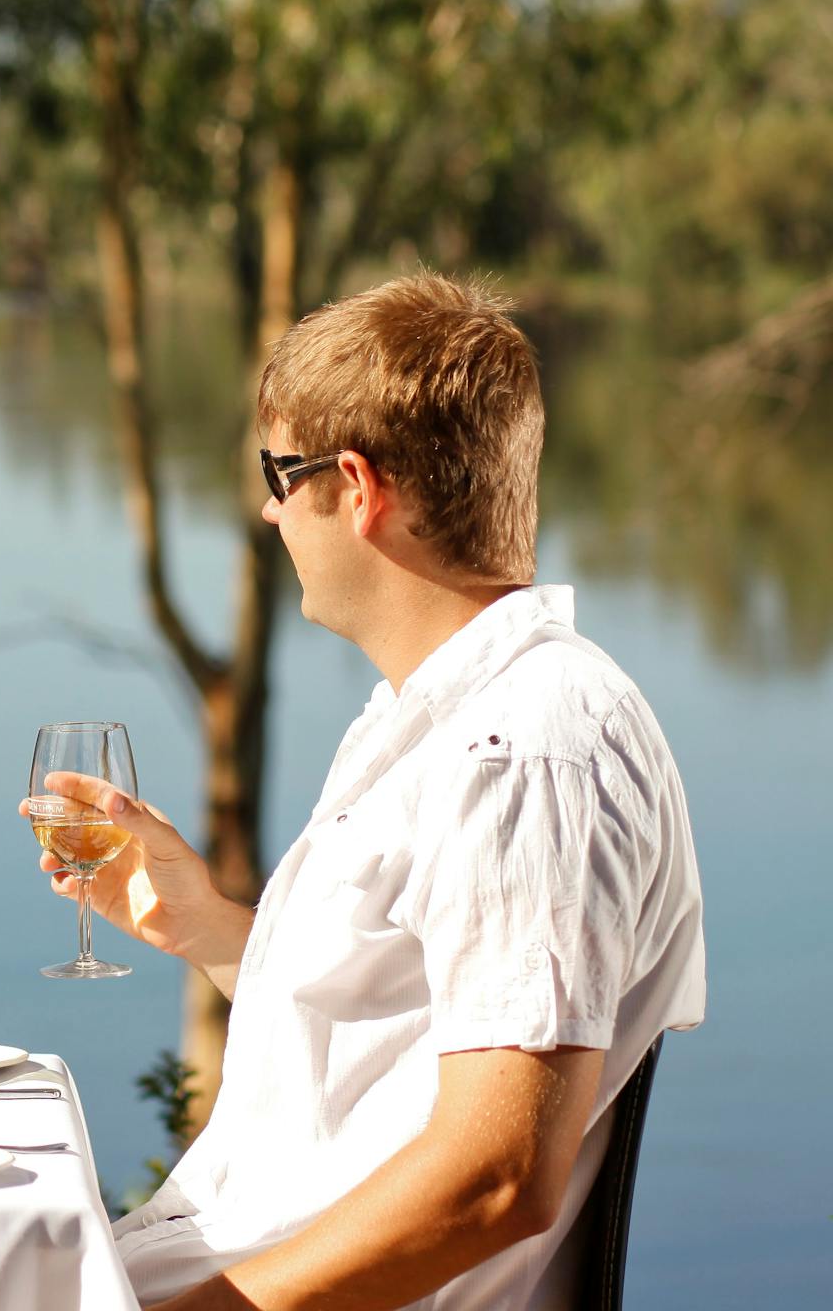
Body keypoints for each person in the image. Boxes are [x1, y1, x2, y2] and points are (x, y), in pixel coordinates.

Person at [36, 274, 704, 1310]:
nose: (264, 509)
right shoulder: (431, 719)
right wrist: (205, 925)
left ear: (354, 486)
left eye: (275, 473)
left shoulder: (522, 752)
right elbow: (384, 1033)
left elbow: (494, 1182)